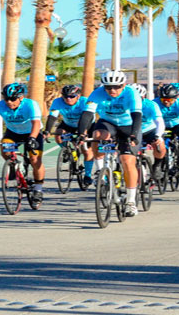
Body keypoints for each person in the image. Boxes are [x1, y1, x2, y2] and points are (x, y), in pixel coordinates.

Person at [78, 70, 142, 217]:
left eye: (116, 87)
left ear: (124, 85)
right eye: (108, 87)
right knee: (97, 135)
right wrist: (81, 133)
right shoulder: (98, 93)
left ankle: (131, 202)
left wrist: (133, 134)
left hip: (129, 125)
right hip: (108, 123)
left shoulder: (131, 93)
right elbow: (87, 113)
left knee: (127, 160)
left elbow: (137, 115)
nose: (112, 90)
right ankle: (101, 172)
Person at [0, 83, 46, 204]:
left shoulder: (30, 104)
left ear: (21, 97)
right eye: (6, 99)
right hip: (13, 133)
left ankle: (38, 189)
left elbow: (36, 123)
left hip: (32, 132)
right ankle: (15, 166)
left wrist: (32, 138)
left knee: (35, 159)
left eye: (13, 99)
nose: (9, 102)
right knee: (5, 149)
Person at [44, 84, 94, 185]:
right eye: (66, 96)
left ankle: (88, 175)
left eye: (72, 96)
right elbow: (53, 116)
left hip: (86, 123)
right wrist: (47, 131)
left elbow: (86, 117)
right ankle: (67, 150)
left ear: (78, 96)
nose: (68, 99)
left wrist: (82, 134)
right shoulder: (58, 101)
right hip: (68, 124)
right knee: (58, 135)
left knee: (86, 150)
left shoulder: (84, 101)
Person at [130, 83, 166, 180]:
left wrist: (158, 136)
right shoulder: (124, 105)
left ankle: (157, 166)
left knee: (160, 147)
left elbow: (159, 122)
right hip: (132, 131)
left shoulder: (151, 105)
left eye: (139, 99)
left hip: (149, 130)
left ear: (144, 97)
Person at [155, 84, 179, 168]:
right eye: (163, 99)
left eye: (169, 99)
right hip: (163, 125)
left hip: (178, 124)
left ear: (175, 98)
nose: (166, 102)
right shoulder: (155, 103)